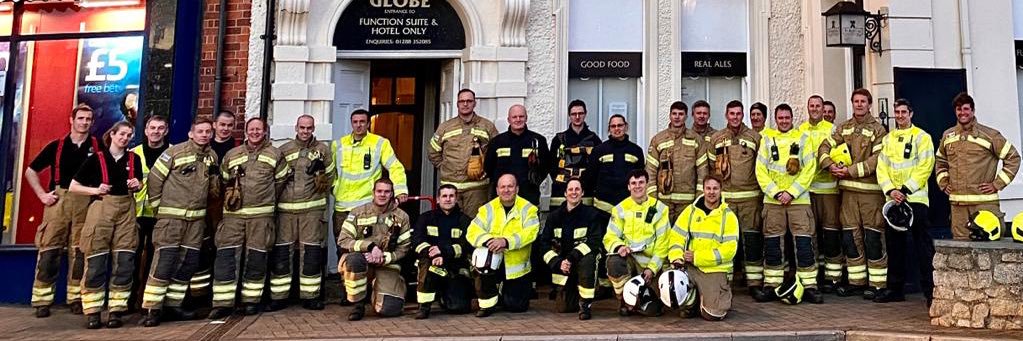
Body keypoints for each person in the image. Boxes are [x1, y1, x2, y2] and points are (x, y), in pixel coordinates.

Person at [139, 118, 220, 327]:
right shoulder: (174, 153)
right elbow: (155, 179)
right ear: (190, 133)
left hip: (195, 221)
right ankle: (153, 309)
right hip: (171, 219)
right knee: (164, 261)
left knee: (187, 263)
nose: (204, 135)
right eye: (200, 131)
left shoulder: (211, 157)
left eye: (208, 132)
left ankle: (173, 305)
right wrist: (159, 208)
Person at [208, 118, 290, 319]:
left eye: (259, 130)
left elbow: (280, 182)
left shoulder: (275, 155)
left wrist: (265, 200)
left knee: (257, 258)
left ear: (265, 132)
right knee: (226, 257)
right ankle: (222, 303)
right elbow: (225, 179)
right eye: (251, 129)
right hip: (233, 217)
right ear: (246, 131)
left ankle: (251, 301)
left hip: (261, 217)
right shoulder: (232, 154)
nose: (255, 132)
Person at [69, 121, 144, 328]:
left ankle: (116, 311)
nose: (125, 138)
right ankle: (92, 312)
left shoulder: (133, 159)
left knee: (125, 261)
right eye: (122, 134)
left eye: (129, 135)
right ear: (112, 134)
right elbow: (74, 187)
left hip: (126, 210)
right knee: (96, 261)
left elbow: (139, 183)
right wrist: (95, 190)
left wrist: (138, 184)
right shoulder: (96, 159)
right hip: (101, 208)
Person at [26, 103, 99, 317]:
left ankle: (75, 298)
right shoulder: (56, 146)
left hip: (85, 202)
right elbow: (31, 171)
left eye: (88, 119)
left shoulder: (97, 146)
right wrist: (42, 195)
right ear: (72, 120)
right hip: (58, 202)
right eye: (81, 118)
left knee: (79, 252)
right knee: (49, 250)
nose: (84, 122)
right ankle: (42, 300)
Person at [817, 89, 890, 300]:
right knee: (850, 237)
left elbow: (877, 160)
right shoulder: (843, 128)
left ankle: (877, 284)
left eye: (863, 102)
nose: (859, 105)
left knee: (873, 237)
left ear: (870, 105)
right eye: (856, 101)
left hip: (870, 195)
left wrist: (849, 171)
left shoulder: (878, 130)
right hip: (847, 194)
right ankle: (856, 282)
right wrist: (830, 166)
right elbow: (824, 147)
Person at [332, 109, 409, 302]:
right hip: (343, 205)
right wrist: (333, 188)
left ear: (368, 124)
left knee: (372, 246)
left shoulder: (379, 143)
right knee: (345, 250)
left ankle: (368, 289)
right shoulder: (338, 145)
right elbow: (330, 172)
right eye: (355, 121)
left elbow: (395, 166)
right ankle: (348, 292)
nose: (358, 125)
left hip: (368, 206)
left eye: (362, 122)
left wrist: (400, 191)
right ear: (351, 123)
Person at [755, 104, 822, 304]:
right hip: (773, 201)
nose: (784, 121)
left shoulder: (803, 138)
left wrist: (791, 193)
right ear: (775, 119)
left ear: (792, 118)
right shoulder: (767, 140)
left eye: (787, 117)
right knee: (773, 244)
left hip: (799, 200)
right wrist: (776, 193)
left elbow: (810, 168)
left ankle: (809, 286)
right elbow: (761, 170)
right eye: (780, 118)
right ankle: (772, 286)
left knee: (804, 244)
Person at [268, 115, 335, 311]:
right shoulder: (284, 150)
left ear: (313, 129)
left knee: (312, 252)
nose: (305, 131)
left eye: (309, 128)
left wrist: (320, 174)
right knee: (282, 252)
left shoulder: (322, 150)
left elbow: (330, 177)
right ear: (296, 127)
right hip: (286, 210)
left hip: (312, 210)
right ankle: (279, 297)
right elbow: (276, 179)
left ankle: (311, 296)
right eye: (302, 127)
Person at [936, 92, 1021, 240]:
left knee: (989, 250)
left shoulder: (990, 135)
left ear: (973, 111)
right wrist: (943, 183)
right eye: (959, 109)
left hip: (984, 205)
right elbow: (940, 161)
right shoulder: (947, 136)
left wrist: (997, 184)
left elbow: (1013, 158)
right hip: (958, 209)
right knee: (961, 253)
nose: (962, 113)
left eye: (966, 109)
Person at [877, 99, 935, 304]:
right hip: (893, 201)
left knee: (923, 247)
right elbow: (881, 167)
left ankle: (930, 291)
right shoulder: (888, 139)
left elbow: (926, 166)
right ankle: (895, 289)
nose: (900, 115)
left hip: (915, 199)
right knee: (895, 247)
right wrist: (890, 190)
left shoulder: (922, 137)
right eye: (897, 112)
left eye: (903, 112)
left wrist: (905, 189)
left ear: (911, 113)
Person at [707, 100, 765, 300]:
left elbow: (762, 167)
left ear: (743, 115)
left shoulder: (755, 138)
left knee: (751, 240)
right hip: (726, 200)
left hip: (750, 198)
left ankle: (754, 283)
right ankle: (726, 282)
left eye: (738, 113)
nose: (735, 117)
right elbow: (708, 168)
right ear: (726, 115)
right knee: (725, 242)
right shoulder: (716, 138)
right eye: (731, 113)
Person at [337, 178, 412, 321]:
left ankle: (389, 287)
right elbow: (343, 240)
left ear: (392, 194)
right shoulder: (357, 213)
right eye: (379, 191)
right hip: (362, 261)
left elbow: (404, 248)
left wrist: (384, 257)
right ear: (373, 193)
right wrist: (369, 247)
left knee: (390, 309)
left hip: (387, 264)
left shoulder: (402, 217)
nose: (382, 195)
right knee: (353, 260)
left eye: (387, 192)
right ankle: (358, 305)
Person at [466, 174, 540, 317]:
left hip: (516, 269)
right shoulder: (487, 209)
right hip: (492, 263)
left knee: (516, 306)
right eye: (503, 187)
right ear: (497, 190)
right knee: (481, 260)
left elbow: (531, 233)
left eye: (510, 186)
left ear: (517, 189)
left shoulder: (528, 209)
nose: (506, 190)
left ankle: (503, 293)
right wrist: (489, 241)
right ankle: (487, 304)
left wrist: (506, 242)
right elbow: (472, 231)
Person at [668, 175, 737, 321]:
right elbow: (676, 237)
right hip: (690, 267)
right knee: (670, 282)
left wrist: (697, 257)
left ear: (721, 191)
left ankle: (711, 297)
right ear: (703, 190)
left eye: (715, 188)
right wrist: (677, 258)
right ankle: (691, 302)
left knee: (713, 314)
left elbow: (729, 250)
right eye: (708, 188)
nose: (711, 192)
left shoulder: (728, 216)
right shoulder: (690, 211)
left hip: (714, 270)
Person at [604, 169, 670, 317]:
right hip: (630, 262)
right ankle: (625, 300)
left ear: (647, 184)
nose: (637, 186)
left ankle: (639, 301)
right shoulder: (620, 209)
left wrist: (651, 269)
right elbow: (610, 236)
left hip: (651, 267)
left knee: (654, 310)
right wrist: (619, 246)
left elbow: (663, 244)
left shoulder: (660, 209)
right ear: (628, 187)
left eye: (641, 182)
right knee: (613, 262)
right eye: (633, 183)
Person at [539, 178, 606, 320]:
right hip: (563, 268)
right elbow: (544, 244)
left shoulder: (591, 215)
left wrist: (571, 257)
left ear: (582, 193)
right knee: (564, 308)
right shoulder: (554, 217)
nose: (573, 193)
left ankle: (585, 305)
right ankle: (573, 293)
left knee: (589, 259)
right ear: (565, 193)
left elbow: (595, 241)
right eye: (570, 189)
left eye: (577, 189)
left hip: (581, 262)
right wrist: (558, 263)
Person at [429, 88, 500, 215]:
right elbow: (433, 152)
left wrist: (487, 170)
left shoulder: (487, 126)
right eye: (462, 101)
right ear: (457, 104)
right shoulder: (445, 127)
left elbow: (497, 153)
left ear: (474, 103)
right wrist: (445, 167)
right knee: (450, 225)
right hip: (450, 187)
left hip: (477, 189)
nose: (465, 104)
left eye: (469, 101)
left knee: (475, 225)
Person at [194, 110, 239, 304]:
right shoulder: (205, 147)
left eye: (229, 125)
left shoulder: (239, 148)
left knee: (225, 249)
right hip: (203, 205)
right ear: (215, 125)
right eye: (222, 125)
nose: (226, 129)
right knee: (202, 249)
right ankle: (199, 297)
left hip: (228, 206)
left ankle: (223, 293)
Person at [799, 95, 842, 293]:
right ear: (807, 108)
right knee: (811, 234)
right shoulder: (801, 130)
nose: (815, 109)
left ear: (823, 108)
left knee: (831, 234)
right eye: (812, 106)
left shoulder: (832, 129)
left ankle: (833, 278)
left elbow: (841, 154)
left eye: (818, 106)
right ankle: (813, 275)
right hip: (808, 191)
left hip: (829, 190)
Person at [411, 184, 473, 319]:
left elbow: (466, 246)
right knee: (426, 264)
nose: (448, 199)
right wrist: (432, 253)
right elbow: (417, 241)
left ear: (456, 199)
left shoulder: (465, 220)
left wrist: (444, 253)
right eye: (444, 196)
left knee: (459, 307)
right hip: (432, 263)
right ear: (438, 199)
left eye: (451, 196)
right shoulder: (426, 218)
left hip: (454, 267)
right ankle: (424, 306)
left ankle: (444, 296)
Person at [131, 114, 171, 311]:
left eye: (160, 128)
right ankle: (131, 301)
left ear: (166, 131)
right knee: (133, 258)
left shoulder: (174, 153)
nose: (156, 132)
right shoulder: (133, 154)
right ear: (146, 131)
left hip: (162, 214)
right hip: (136, 214)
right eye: (152, 128)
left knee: (156, 259)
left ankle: (149, 301)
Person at [646, 101, 709, 220]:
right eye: (674, 113)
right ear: (669, 115)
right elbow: (650, 170)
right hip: (663, 201)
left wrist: (699, 198)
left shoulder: (696, 139)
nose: (677, 117)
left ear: (686, 116)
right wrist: (653, 199)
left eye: (680, 114)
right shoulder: (658, 139)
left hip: (687, 202)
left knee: (683, 236)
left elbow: (702, 171)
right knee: (663, 235)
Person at [485, 104, 551, 205]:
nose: (518, 119)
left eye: (521, 116)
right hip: (502, 197)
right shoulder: (497, 142)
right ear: (508, 120)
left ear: (526, 118)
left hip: (529, 196)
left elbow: (545, 167)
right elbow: (488, 168)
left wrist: (532, 182)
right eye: (514, 117)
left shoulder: (538, 141)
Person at [549, 99, 602, 207]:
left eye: (580, 113)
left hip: (587, 191)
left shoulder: (594, 140)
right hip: (561, 190)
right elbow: (551, 165)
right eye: (574, 114)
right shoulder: (558, 140)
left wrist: (587, 182)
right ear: (569, 116)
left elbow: (598, 166)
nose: (577, 117)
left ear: (585, 114)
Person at [588, 115, 644, 213]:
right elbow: (591, 177)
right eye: (613, 126)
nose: (616, 128)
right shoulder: (599, 150)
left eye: (620, 125)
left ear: (626, 127)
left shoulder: (636, 151)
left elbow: (641, 178)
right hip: (602, 208)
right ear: (609, 129)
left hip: (628, 207)